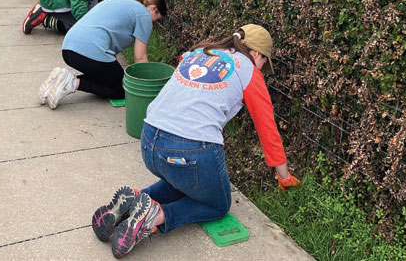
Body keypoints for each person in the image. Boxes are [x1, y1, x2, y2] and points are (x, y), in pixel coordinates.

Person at [90, 24, 301, 258]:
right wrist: (284, 177)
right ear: (256, 53)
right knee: (218, 205)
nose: (262, 67)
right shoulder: (249, 70)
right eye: (264, 61)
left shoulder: (200, 52)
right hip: (190, 150)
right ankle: (156, 215)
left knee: (185, 180)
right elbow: (268, 130)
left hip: (149, 139)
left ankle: (136, 198)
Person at [38, 0, 167, 109]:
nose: (154, 23)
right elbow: (140, 58)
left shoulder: (119, 0)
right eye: (157, 18)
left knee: (107, 76)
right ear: (153, 8)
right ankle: (72, 82)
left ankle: (57, 80)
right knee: (122, 89)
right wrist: (144, 89)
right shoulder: (144, 15)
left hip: (68, 49)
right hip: (89, 52)